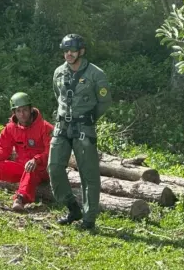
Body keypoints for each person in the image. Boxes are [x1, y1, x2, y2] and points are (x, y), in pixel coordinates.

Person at [47, 34, 112, 229]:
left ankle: (89, 218)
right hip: (62, 127)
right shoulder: (58, 72)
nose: (68, 54)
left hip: (84, 128)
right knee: (54, 167)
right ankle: (72, 207)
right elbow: (58, 96)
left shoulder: (96, 74)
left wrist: (89, 119)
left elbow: (104, 102)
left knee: (88, 174)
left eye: (72, 50)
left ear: (81, 51)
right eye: (66, 50)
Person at [0, 92, 54, 212]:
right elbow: (3, 148)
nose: (22, 114)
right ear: (14, 112)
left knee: (30, 169)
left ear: (31, 109)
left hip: (41, 170)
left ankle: (20, 200)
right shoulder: (10, 128)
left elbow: (51, 152)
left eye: (25, 110)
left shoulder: (45, 127)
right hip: (21, 167)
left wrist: (36, 160)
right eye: (18, 111)